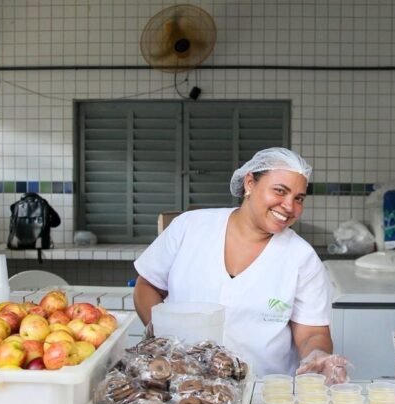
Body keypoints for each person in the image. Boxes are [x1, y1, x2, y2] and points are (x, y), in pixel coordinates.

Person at [133, 147, 348, 382]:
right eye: (280, 191)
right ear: (249, 183)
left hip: (263, 390)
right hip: (183, 384)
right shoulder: (189, 227)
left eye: (299, 198)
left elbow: (312, 331)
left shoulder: (302, 258)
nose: (290, 206)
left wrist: (317, 355)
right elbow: (148, 286)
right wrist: (165, 340)